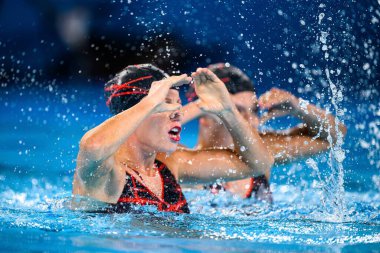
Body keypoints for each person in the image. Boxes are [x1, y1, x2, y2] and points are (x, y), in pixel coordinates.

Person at [72, 64, 274, 213]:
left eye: (177, 104)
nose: (178, 112)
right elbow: (92, 145)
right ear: (137, 111)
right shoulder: (107, 173)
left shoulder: (171, 164)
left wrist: (228, 110)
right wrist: (151, 101)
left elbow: (257, 164)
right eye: (165, 104)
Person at [183, 63, 347, 201]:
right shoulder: (183, 164)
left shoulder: (263, 150)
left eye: (254, 111)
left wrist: (298, 108)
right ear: (204, 117)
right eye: (237, 110)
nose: (252, 120)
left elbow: (334, 137)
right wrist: (196, 107)